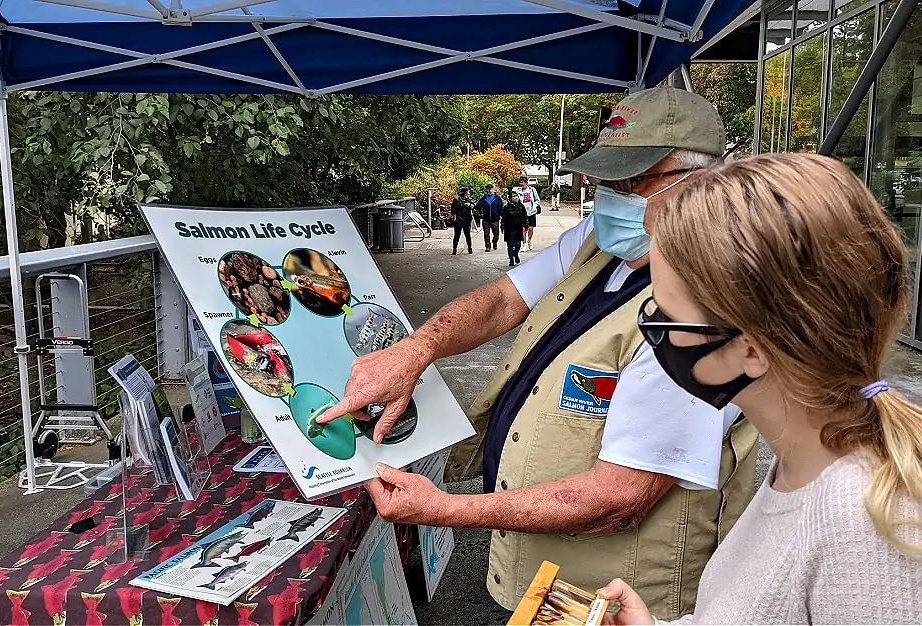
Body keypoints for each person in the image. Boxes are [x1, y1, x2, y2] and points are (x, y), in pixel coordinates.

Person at [317, 87, 758, 620]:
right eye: (605, 180)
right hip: (551, 576)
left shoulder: (705, 316)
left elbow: (618, 497)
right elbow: (504, 299)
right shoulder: (607, 241)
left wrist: (443, 510)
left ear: (705, 182)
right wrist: (415, 350)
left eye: (632, 181)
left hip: (622, 599)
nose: (610, 197)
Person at [599, 153, 922, 625]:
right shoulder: (804, 465)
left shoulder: (869, 530)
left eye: (666, 312)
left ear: (751, 350)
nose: (651, 326)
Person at [474, 183, 504, 252]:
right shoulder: (484, 198)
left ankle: (494, 242)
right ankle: (488, 246)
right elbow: (478, 205)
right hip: (486, 219)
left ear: (493, 189)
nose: (489, 191)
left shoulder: (497, 198)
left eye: (490, 189)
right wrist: (473, 205)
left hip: (495, 219)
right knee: (486, 234)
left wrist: (502, 216)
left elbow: (501, 208)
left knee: (496, 234)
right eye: (488, 189)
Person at [502, 189, 528, 267]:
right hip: (509, 229)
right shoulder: (507, 207)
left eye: (516, 196)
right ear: (510, 198)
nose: (515, 197)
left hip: (518, 228)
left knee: (518, 245)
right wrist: (502, 226)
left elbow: (525, 216)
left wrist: (526, 225)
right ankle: (511, 259)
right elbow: (503, 218)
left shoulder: (521, 206)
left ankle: (515, 255)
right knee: (510, 245)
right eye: (513, 196)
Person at [516, 177, 541, 251]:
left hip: (531, 212)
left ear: (526, 183)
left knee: (530, 228)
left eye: (522, 182)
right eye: (520, 182)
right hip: (522, 213)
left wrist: (535, 207)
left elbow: (537, 200)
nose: (521, 184)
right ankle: (523, 245)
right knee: (523, 229)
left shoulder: (532, 190)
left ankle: (529, 240)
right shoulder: (518, 191)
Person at [450, 186, 475, 255]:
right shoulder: (457, 200)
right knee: (457, 235)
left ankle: (470, 248)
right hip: (459, 219)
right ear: (465, 192)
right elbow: (453, 210)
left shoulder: (469, 199)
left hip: (466, 220)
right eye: (468, 191)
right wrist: (454, 218)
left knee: (467, 235)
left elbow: (473, 205)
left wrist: (470, 205)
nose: (469, 193)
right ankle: (454, 249)